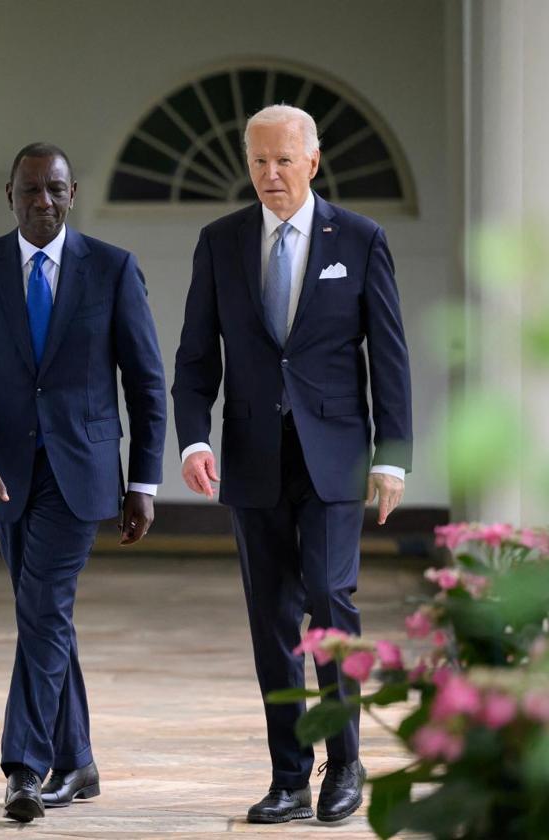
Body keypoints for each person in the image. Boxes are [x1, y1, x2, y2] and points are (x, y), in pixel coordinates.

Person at [172, 104, 413, 824]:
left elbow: (390, 357)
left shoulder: (362, 239)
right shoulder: (220, 242)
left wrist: (393, 458)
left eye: (282, 160)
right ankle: (287, 776)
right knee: (270, 618)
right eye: (258, 162)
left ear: (313, 161)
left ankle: (346, 763)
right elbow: (193, 358)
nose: (269, 175)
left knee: (330, 602)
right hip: (251, 458)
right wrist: (193, 440)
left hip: (336, 457)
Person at [0, 142, 167, 822]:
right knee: (46, 618)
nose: (43, 202)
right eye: (30, 190)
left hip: (79, 474)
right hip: (2, 479)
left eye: (55, 190)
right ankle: (80, 762)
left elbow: (146, 384)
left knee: (43, 610)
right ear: (9, 195)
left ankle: (24, 768)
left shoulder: (113, 270)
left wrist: (143, 481)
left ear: (72, 195)